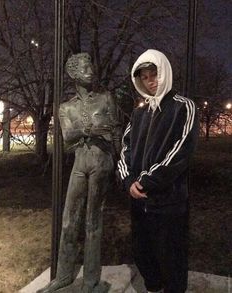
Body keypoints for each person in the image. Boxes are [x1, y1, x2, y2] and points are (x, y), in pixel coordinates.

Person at [37, 53, 121, 293]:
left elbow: (115, 132)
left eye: (91, 66)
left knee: (93, 220)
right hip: (80, 164)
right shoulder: (66, 107)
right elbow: (67, 138)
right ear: (73, 74)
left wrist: (117, 160)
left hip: (101, 161)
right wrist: (89, 130)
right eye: (85, 68)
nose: (91, 71)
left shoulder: (106, 99)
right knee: (69, 220)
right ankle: (64, 275)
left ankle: (91, 280)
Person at [118, 49, 199, 293]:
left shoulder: (183, 107)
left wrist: (145, 182)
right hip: (138, 202)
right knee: (144, 253)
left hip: (168, 201)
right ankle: (153, 286)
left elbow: (180, 152)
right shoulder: (139, 112)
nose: (150, 81)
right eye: (144, 77)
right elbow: (125, 149)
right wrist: (128, 181)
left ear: (164, 72)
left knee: (171, 256)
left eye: (154, 74)